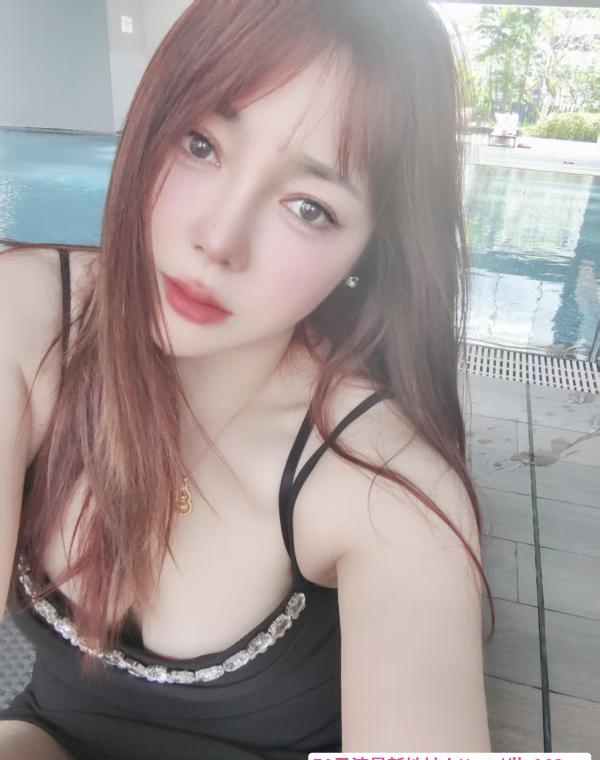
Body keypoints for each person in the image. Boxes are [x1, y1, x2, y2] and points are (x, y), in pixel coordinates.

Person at [0, 0, 495, 757]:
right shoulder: (31, 322)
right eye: (200, 144)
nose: (219, 238)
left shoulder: (386, 486)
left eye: (309, 207)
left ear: (370, 253)